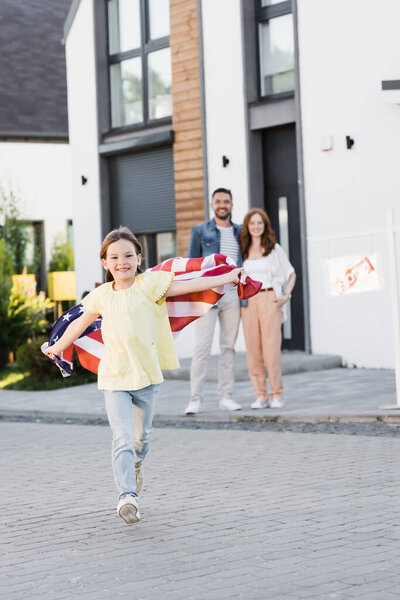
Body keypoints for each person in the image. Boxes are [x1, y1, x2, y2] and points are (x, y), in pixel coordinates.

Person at [45, 226, 242, 525]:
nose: (121, 261)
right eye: (114, 257)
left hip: (147, 376)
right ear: (105, 263)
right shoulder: (100, 296)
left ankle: (136, 465)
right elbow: (79, 324)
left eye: (127, 255)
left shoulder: (151, 284)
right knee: (121, 438)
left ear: (138, 258)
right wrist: (57, 346)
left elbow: (191, 285)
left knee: (141, 440)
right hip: (114, 377)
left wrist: (225, 277)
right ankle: (127, 497)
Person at [185, 188, 243, 415]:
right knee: (202, 348)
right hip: (207, 295)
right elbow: (192, 266)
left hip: (232, 295)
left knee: (228, 347)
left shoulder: (240, 232)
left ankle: (226, 397)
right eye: (218, 201)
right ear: (212, 205)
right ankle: (195, 399)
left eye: (226, 201)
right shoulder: (200, 231)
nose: (222, 205)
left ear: (231, 204)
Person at [240, 208, 296, 409]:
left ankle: (277, 394)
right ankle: (261, 395)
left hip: (270, 298)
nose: (256, 226)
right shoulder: (243, 250)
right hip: (249, 303)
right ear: (248, 226)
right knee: (253, 351)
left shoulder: (274, 249)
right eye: (253, 223)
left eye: (260, 223)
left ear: (265, 226)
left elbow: (291, 274)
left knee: (271, 351)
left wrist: (285, 295)